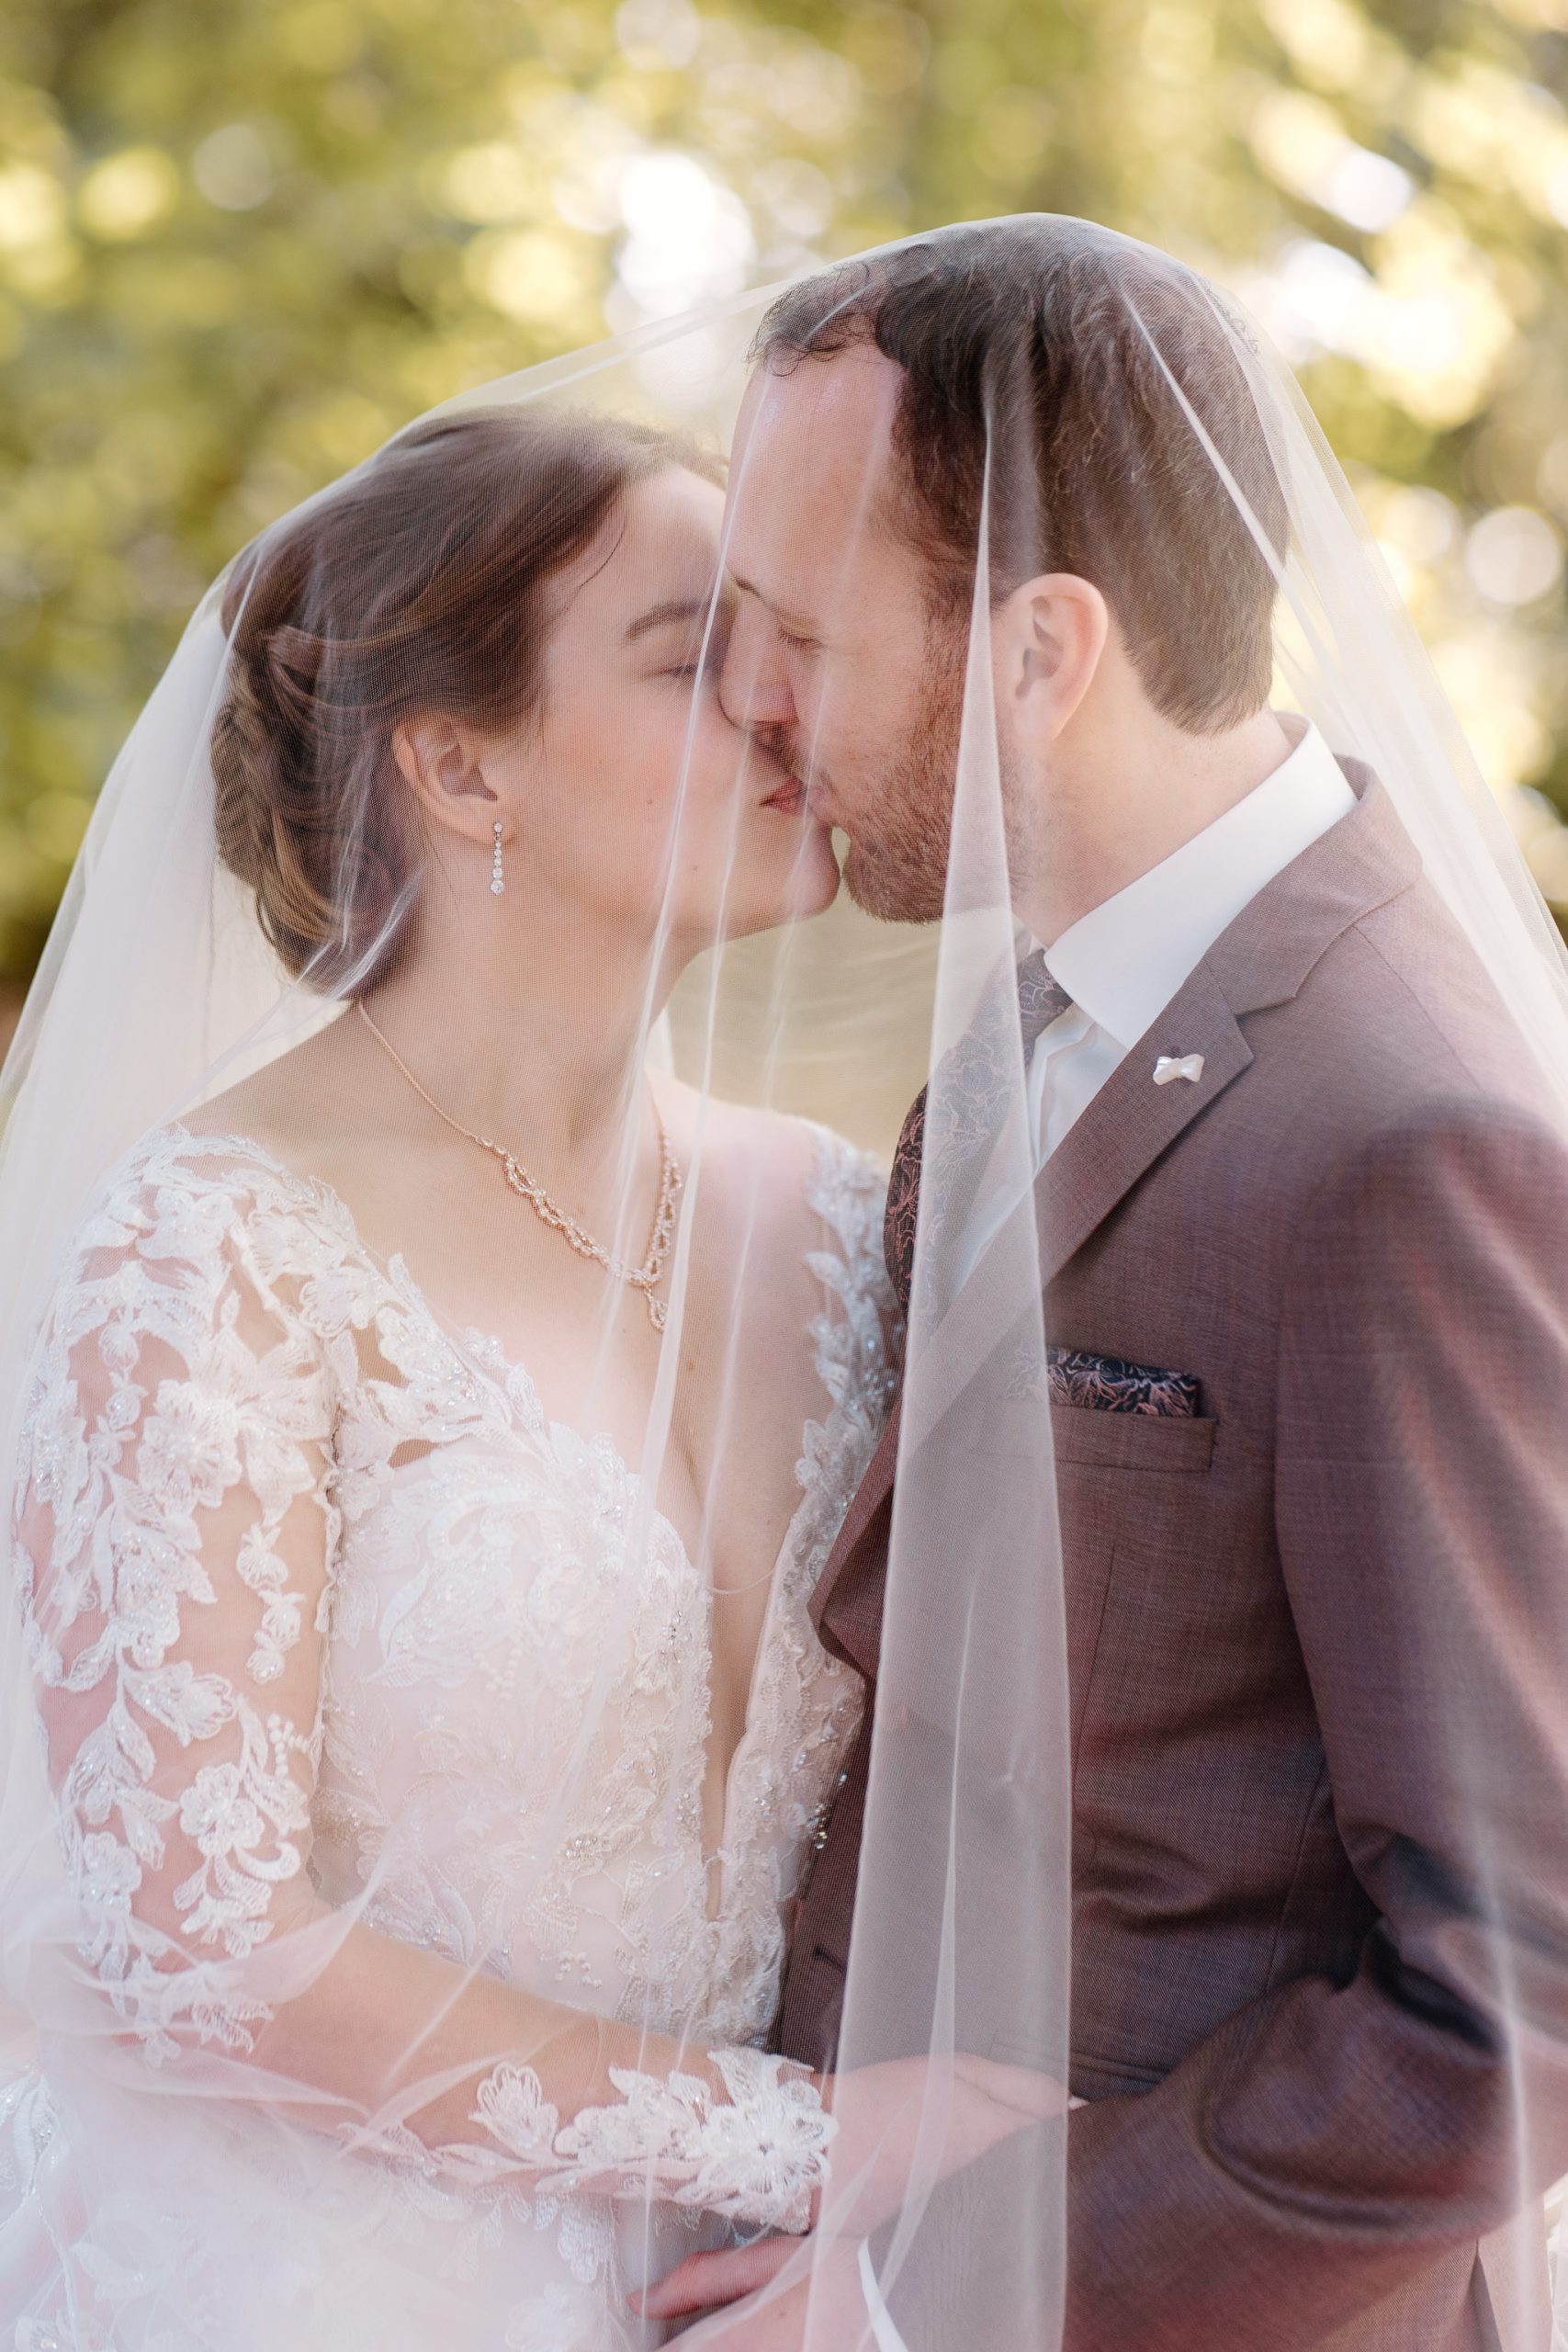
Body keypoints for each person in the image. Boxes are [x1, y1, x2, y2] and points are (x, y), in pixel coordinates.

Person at [641, 220, 1568, 2351]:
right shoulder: (1019, 1033)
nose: (747, 701)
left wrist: (909, 2303)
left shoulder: (1401, 1139)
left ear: (1039, 652)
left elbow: (1510, 1989)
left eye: (792, 630)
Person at [0, 401, 942, 2349]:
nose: (784, 707)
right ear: (456, 763)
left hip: (748, 2296)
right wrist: (815, 2141)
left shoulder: (844, 1220)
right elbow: (201, 1943)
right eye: (694, 657)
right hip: (295, 2279)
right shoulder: (218, 1243)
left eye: (780, 645)